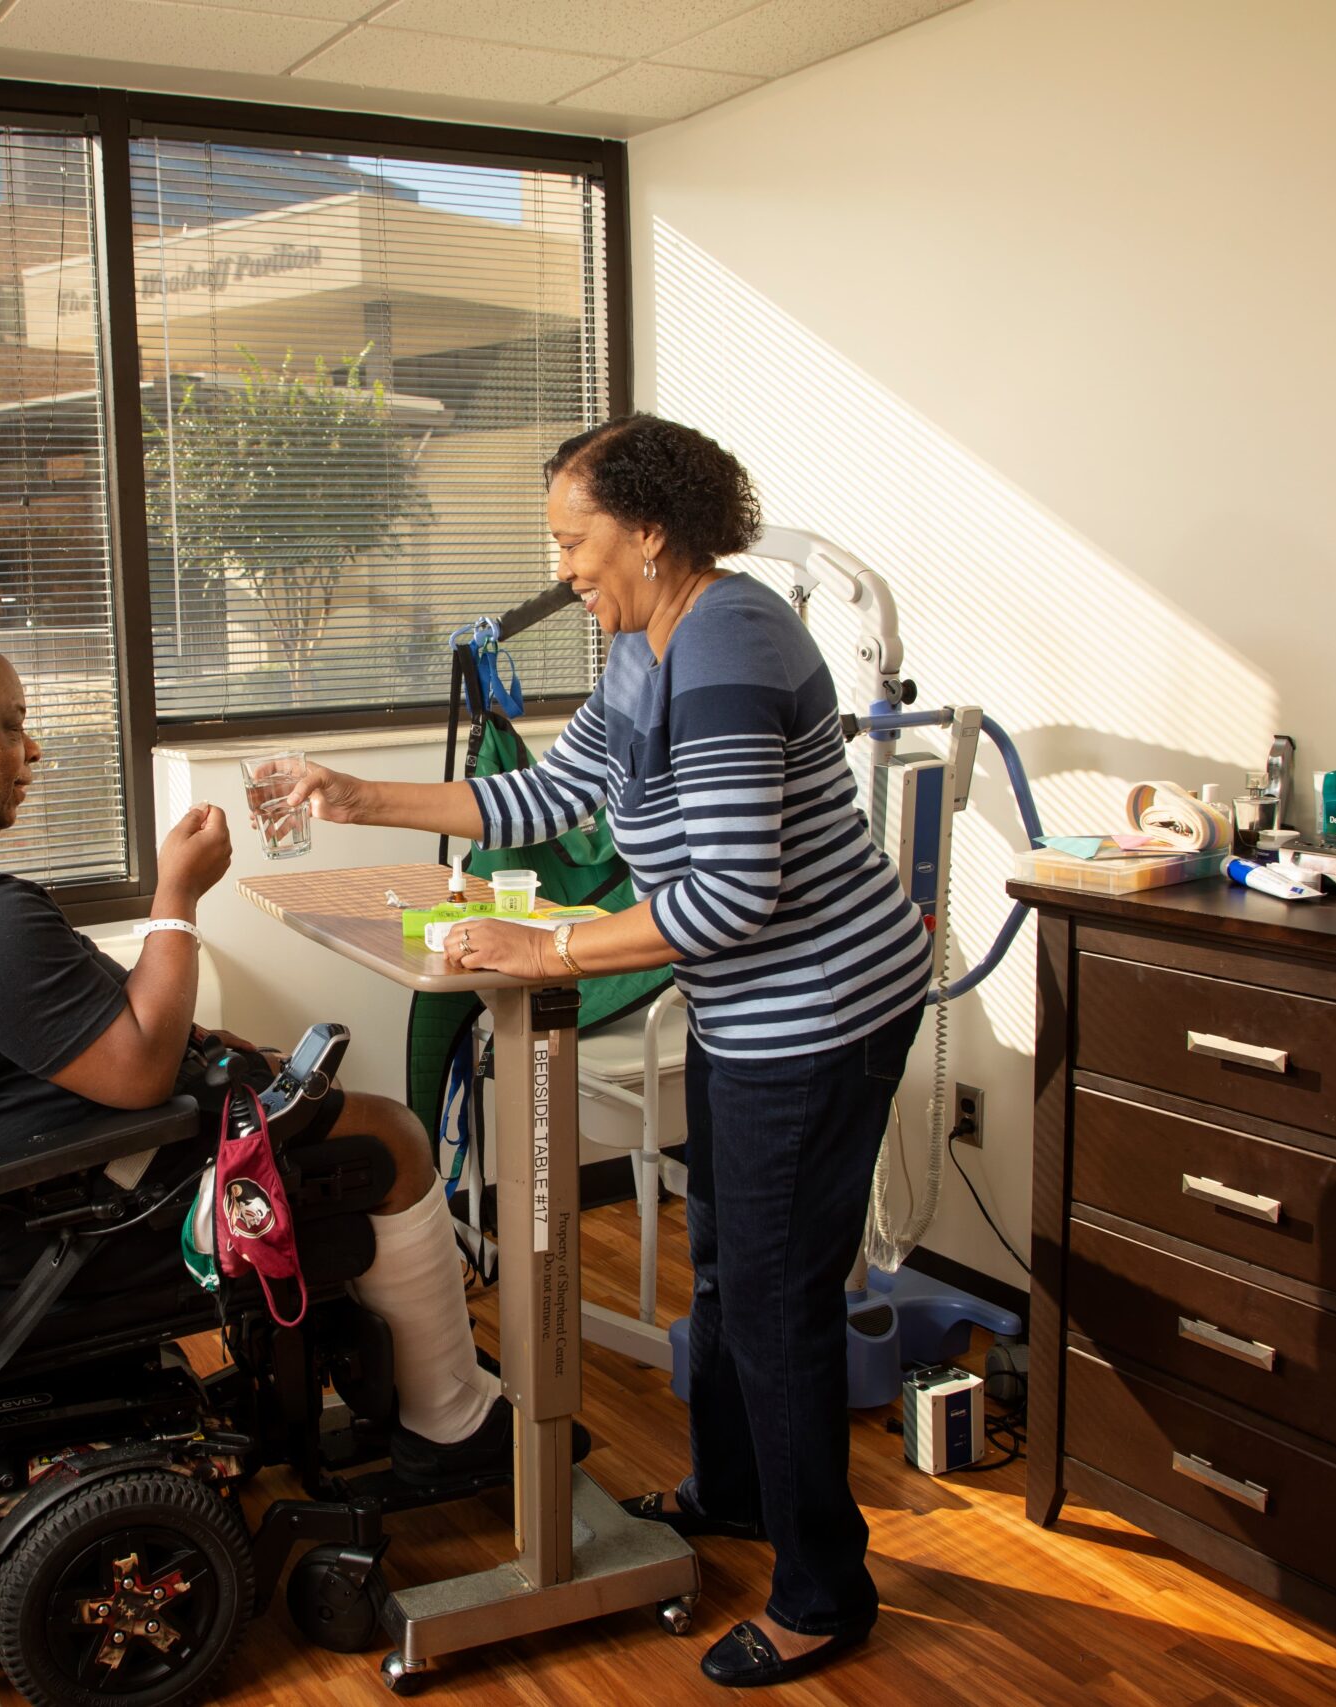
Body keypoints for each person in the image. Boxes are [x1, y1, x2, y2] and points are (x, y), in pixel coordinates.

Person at [272, 415, 932, 1688]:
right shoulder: (642, 642)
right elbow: (548, 795)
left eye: (576, 541)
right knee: (732, 1267)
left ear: (648, 529)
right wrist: (362, 795)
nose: (564, 568)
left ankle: (822, 1593)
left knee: (781, 1302)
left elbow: (732, 894)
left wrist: (549, 956)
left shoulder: (734, 644)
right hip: (756, 1010)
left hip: (821, 1013)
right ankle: (735, 1495)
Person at [0, 635, 512, 1489]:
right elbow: (135, 1075)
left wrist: (206, 1044)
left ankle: (396, 1374)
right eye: (11, 726)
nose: (33, 750)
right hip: (59, 1217)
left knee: (295, 1093)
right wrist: (177, 894)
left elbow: (52, 1006)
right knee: (387, 1135)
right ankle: (453, 1431)